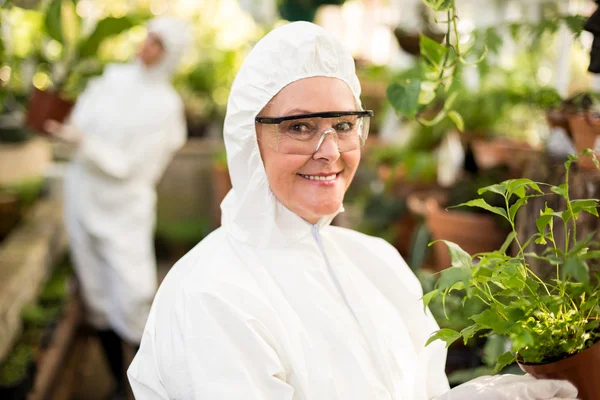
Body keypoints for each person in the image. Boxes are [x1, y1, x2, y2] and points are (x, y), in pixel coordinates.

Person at [127, 22, 577, 400]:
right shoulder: (213, 293)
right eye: (300, 127)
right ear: (250, 140)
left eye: (343, 125)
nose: (329, 152)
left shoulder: (375, 262)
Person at [46, 16, 191, 400]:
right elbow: (78, 121)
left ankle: (158, 384)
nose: (147, 48)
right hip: (84, 197)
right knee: (96, 295)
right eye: (148, 39)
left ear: (170, 55)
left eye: (158, 44)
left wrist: (85, 143)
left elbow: (130, 166)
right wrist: (61, 126)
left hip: (125, 207)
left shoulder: (165, 107)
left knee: (133, 294)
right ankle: (117, 384)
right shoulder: (112, 80)